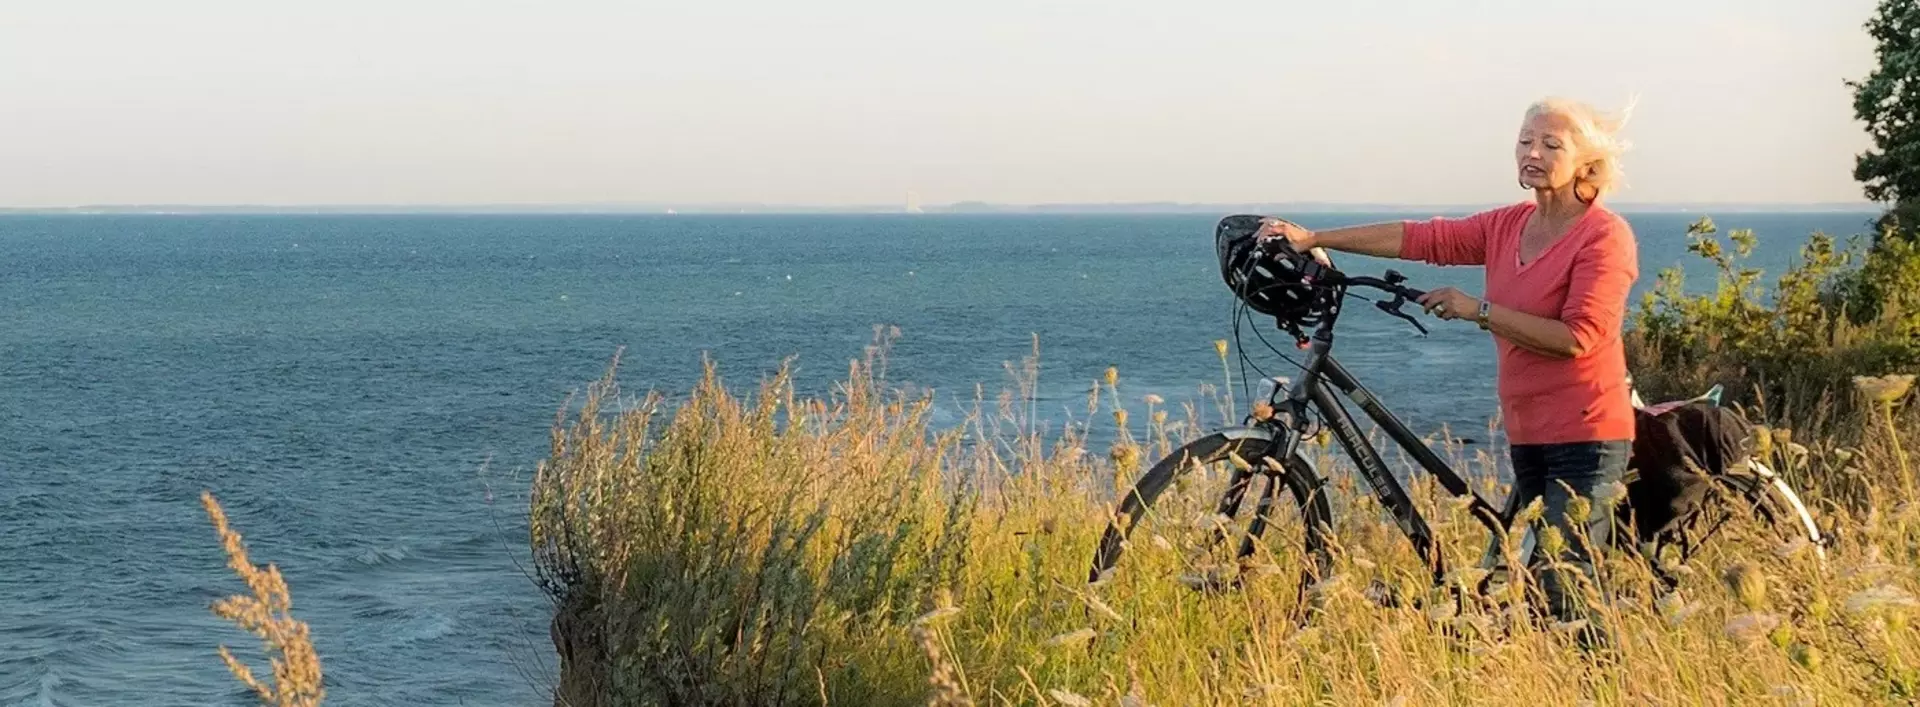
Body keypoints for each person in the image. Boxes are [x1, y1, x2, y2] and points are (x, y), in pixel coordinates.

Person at [1256, 96, 1639, 649]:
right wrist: (1316, 239)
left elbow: (1581, 338)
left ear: (1587, 163)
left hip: (1588, 433)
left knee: (1565, 590)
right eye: (1525, 140)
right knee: (1532, 585)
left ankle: (1609, 683)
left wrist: (1477, 309)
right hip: (1528, 431)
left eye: (1551, 144)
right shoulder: (1509, 225)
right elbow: (1422, 238)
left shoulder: (1604, 236)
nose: (1532, 152)